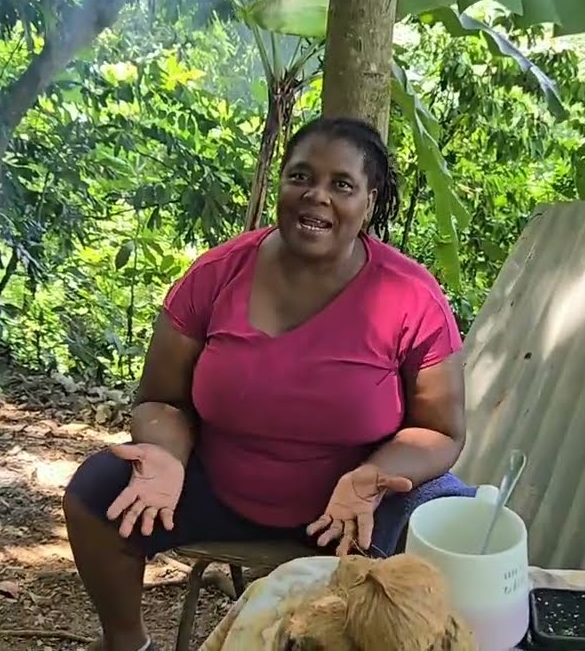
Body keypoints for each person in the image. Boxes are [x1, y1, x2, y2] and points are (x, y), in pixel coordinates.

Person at [62, 116, 468, 651]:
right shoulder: (217, 273)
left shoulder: (411, 297)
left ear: (369, 202)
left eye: (341, 184)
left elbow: (441, 431)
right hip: (221, 487)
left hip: (352, 507)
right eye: (300, 177)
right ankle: (126, 643)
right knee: (96, 493)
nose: (315, 196)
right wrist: (165, 457)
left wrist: (376, 475)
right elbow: (161, 399)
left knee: (455, 522)